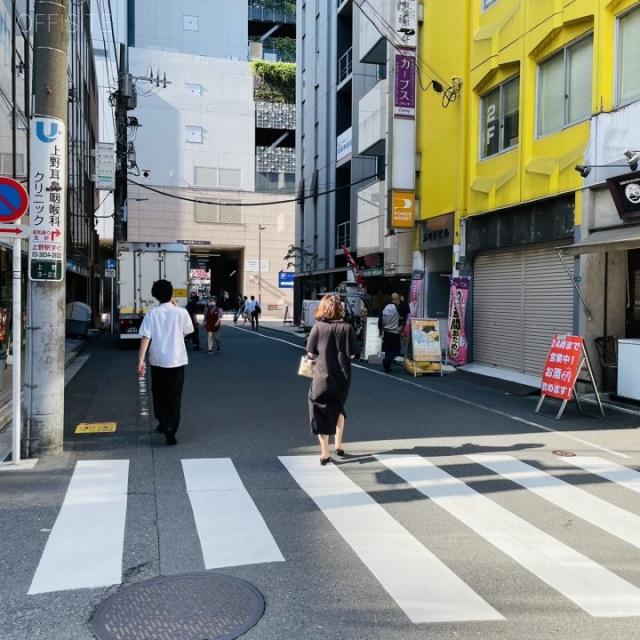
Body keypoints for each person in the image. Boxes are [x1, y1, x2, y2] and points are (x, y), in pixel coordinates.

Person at [137, 279, 193, 445]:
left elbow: (146, 337)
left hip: (157, 361)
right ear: (172, 294)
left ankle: (162, 422)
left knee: (159, 393)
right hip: (176, 361)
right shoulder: (181, 313)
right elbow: (187, 331)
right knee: (174, 396)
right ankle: (171, 430)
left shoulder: (152, 314)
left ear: (155, 296)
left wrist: (141, 360)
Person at [307, 293, 360, 466]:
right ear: (340, 309)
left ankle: (325, 454)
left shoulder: (318, 327)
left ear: (323, 308)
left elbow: (311, 353)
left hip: (322, 376)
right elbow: (353, 353)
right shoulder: (347, 328)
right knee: (338, 407)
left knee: (320, 409)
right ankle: (338, 444)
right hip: (343, 377)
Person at [379, 293, 402, 373]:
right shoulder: (398, 308)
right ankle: (387, 360)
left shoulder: (385, 307)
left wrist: (380, 330)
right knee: (396, 349)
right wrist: (403, 302)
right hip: (394, 331)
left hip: (385, 331)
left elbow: (380, 319)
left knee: (388, 349)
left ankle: (387, 368)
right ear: (398, 299)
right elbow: (407, 310)